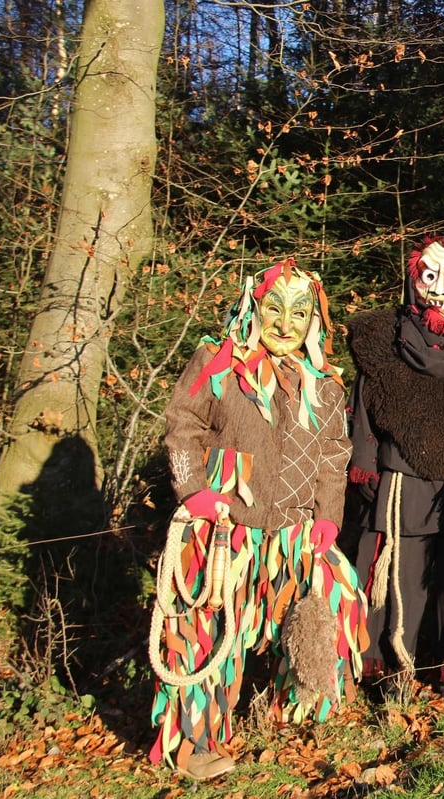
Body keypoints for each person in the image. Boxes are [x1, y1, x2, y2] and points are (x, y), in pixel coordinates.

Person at [149, 258, 367, 780]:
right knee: (204, 627)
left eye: (299, 312)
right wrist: (194, 492)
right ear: (256, 308)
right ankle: (193, 743)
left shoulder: (326, 383)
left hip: (294, 532)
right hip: (225, 531)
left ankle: (301, 712)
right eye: (275, 308)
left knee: (338, 597)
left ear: (314, 319)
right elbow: (183, 425)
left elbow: (336, 454)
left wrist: (328, 518)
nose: (286, 323)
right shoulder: (218, 362)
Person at [346, 236, 444, 701]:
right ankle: (393, 667)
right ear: (413, 279)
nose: (439, 288)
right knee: (400, 576)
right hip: (402, 478)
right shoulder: (382, 340)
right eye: (429, 275)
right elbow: (361, 412)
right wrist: (366, 468)